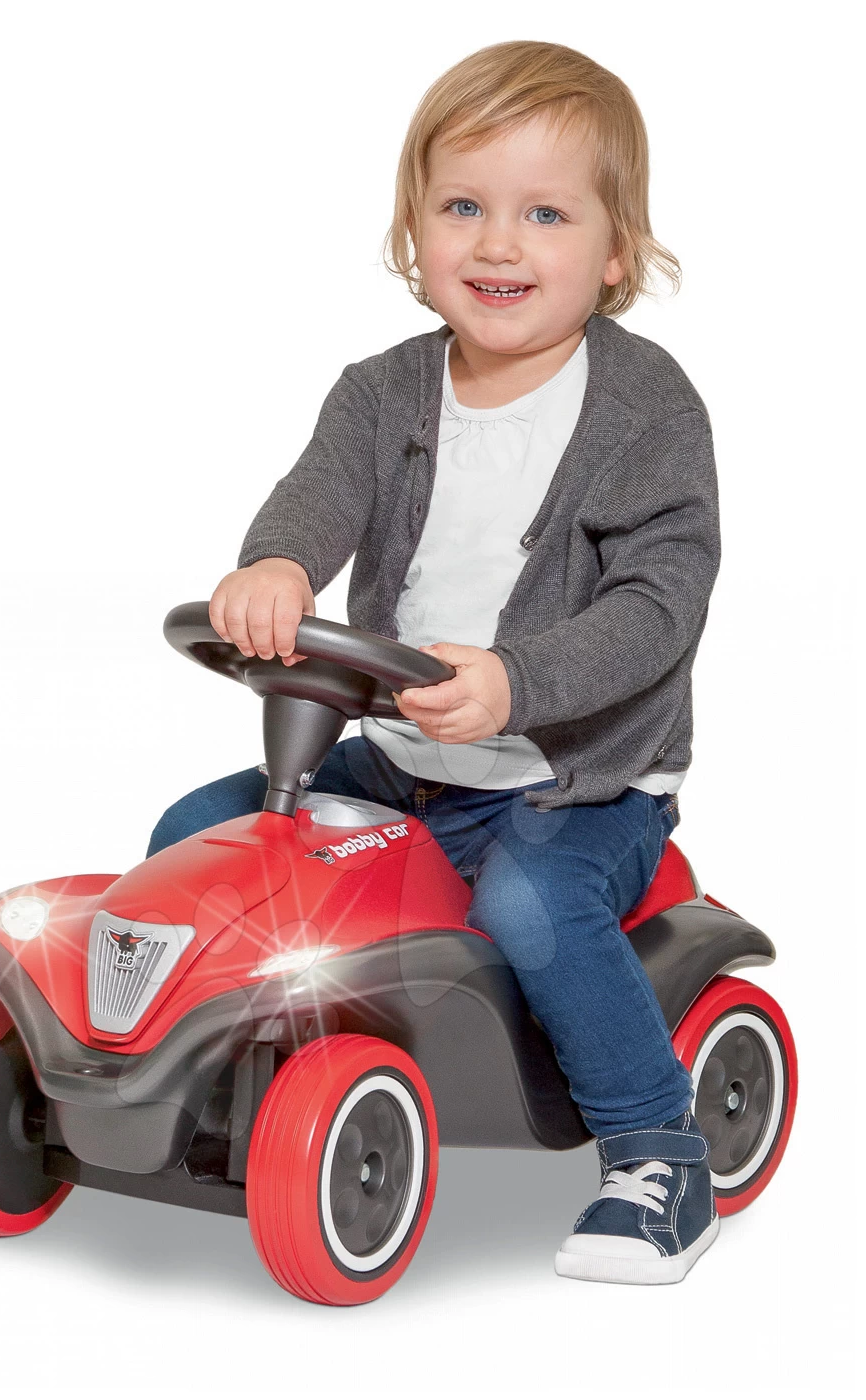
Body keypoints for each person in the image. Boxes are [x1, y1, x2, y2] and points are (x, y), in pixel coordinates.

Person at [148, 40, 721, 1285]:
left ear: (615, 251)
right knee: (199, 834)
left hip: (571, 778)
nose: (498, 242)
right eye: (463, 205)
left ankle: (658, 1149)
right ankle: (219, 1073)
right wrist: (277, 566)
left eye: (545, 214)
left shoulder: (646, 410)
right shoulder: (382, 394)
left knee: (530, 903)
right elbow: (315, 499)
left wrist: (516, 680)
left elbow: (659, 605)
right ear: (414, 228)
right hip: (406, 755)